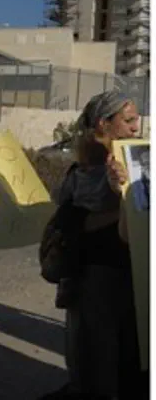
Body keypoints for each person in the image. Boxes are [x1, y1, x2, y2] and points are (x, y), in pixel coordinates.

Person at [41, 91, 146, 400]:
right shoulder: (91, 170)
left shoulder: (132, 159)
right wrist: (127, 206)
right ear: (104, 123)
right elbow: (75, 222)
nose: (135, 128)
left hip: (130, 272)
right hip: (99, 275)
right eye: (127, 121)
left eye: (135, 120)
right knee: (99, 356)